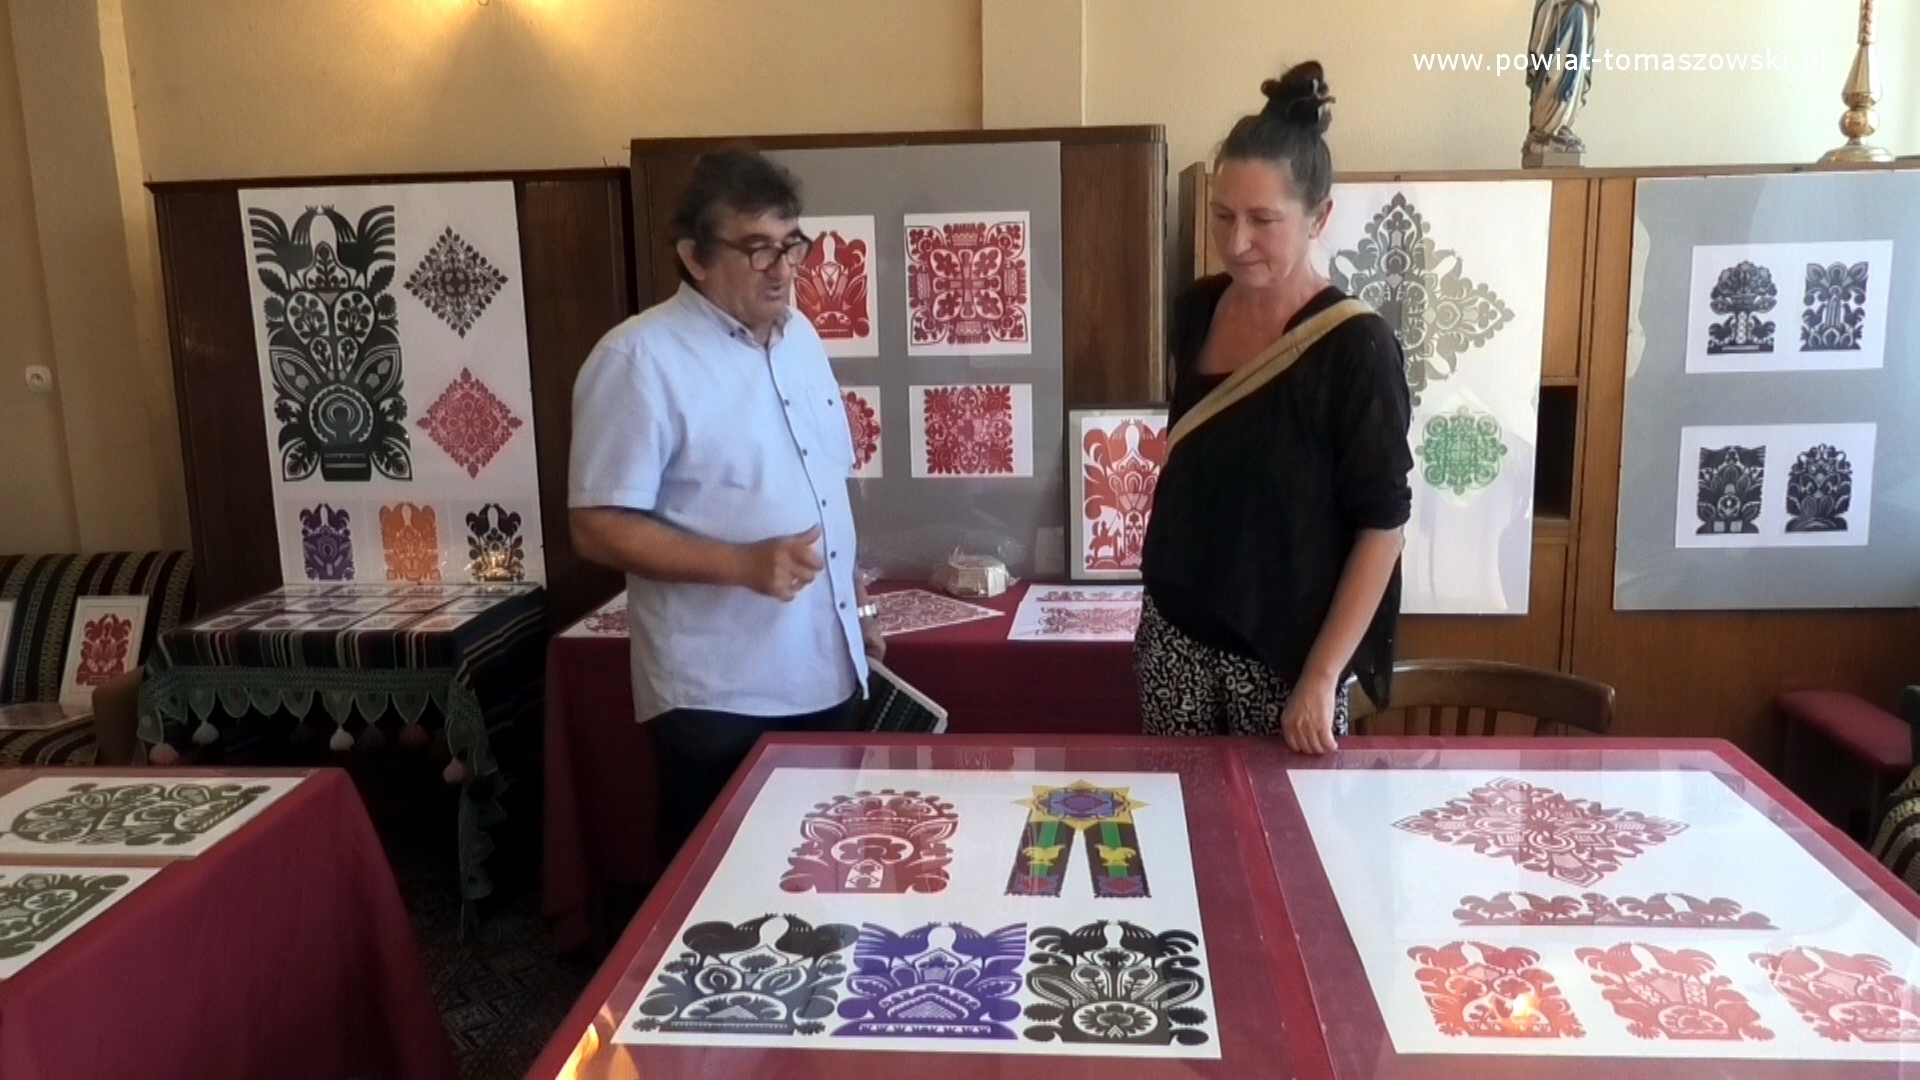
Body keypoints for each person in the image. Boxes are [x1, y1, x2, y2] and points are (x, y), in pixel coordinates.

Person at [569, 148, 884, 857]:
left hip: (827, 671)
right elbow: (595, 526)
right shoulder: (638, 360)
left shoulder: (802, 338)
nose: (783, 269)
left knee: (827, 870)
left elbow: (822, 486)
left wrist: (853, 606)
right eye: (756, 248)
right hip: (719, 697)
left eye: (791, 243)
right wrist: (739, 564)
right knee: (724, 892)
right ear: (694, 257)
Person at [1136, 61, 1413, 755]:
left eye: (1263, 220)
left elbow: (1382, 528)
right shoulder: (1197, 310)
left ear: (1320, 216)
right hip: (1175, 637)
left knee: (1278, 821)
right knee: (1180, 814)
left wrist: (1322, 676)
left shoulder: (1356, 346)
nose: (1235, 243)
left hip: (1286, 657)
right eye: (1222, 215)